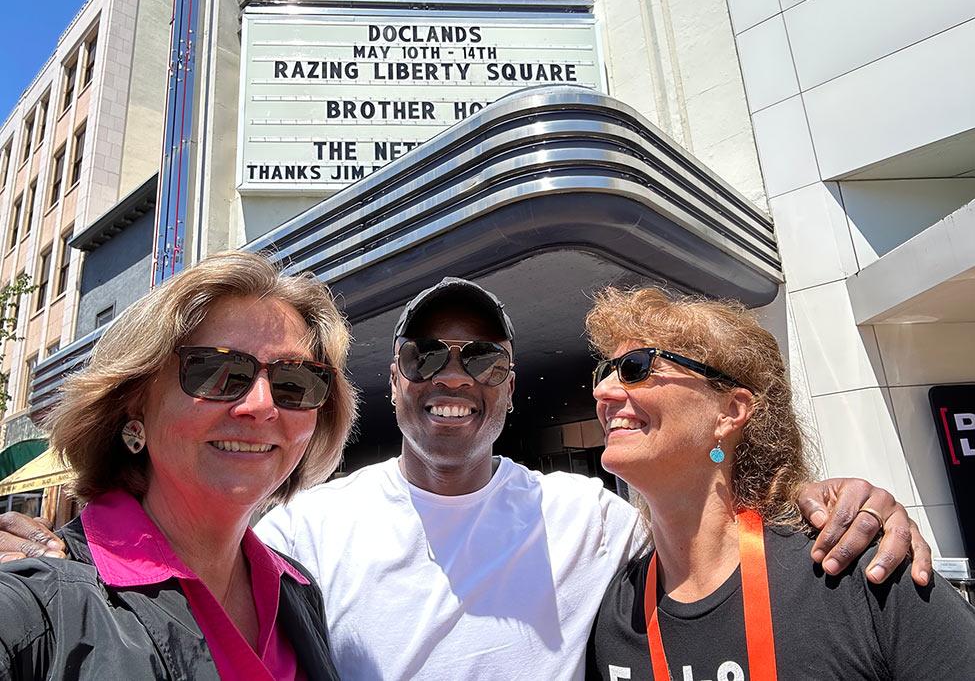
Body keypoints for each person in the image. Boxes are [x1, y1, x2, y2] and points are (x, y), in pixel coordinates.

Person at [1, 277, 930, 680]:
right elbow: (118, 596)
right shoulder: (297, 542)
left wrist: (833, 499)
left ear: (509, 387)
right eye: (427, 355)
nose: (454, 375)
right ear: (392, 380)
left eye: (481, 357)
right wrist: (50, 551)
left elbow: (716, 536)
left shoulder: (593, 518)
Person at [585, 287, 975, 680]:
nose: (603, 391)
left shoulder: (854, 573)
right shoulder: (617, 612)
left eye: (637, 367)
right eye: (605, 373)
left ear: (731, 410)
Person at [0, 251, 355, 680]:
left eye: (295, 382)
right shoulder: (35, 602)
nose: (262, 406)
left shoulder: (297, 590)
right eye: (217, 371)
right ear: (135, 399)